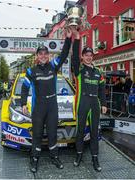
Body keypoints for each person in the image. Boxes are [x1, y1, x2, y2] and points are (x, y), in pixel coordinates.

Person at [21, 28, 72, 173]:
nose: (43, 56)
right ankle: (34, 158)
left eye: (45, 54)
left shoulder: (53, 66)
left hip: (52, 106)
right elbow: (24, 88)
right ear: (37, 56)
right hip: (39, 107)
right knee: (37, 134)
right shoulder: (31, 71)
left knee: (52, 133)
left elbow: (63, 55)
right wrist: (23, 103)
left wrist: (68, 39)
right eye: (40, 54)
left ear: (48, 55)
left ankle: (54, 156)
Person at [71, 29, 107, 172]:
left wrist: (104, 104)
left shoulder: (99, 72)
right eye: (86, 55)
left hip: (95, 105)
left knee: (94, 132)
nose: (88, 57)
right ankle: (79, 155)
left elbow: (101, 91)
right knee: (80, 131)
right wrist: (78, 38)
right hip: (82, 103)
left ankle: (94, 157)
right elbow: (74, 58)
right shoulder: (79, 69)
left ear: (93, 56)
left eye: (90, 55)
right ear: (82, 56)